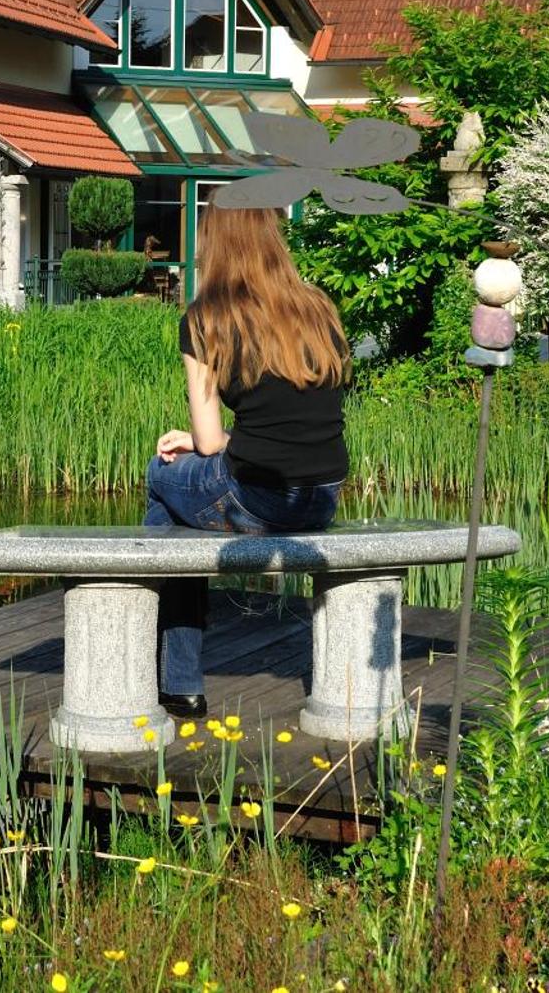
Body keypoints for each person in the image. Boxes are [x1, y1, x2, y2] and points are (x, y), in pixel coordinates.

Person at [145, 205, 350, 718]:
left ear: (215, 243)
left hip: (258, 499)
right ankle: (173, 673)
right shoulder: (317, 308)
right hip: (323, 496)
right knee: (185, 476)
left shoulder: (207, 317)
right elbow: (286, 424)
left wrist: (200, 443)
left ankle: (178, 680)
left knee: (162, 473)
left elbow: (208, 441)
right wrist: (216, 442)